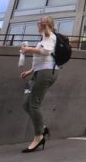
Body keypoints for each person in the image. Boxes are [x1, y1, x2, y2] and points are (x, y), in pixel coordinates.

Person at [19, 16, 58, 152]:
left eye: (38, 23)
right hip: (38, 72)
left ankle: (38, 137)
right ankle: (42, 127)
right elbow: (41, 59)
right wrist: (30, 71)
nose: (37, 26)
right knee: (26, 104)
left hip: (46, 73)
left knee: (34, 105)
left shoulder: (51, 37)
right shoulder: (43, 39)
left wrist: (29, 50)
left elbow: (47, 52)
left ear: (43, 25)